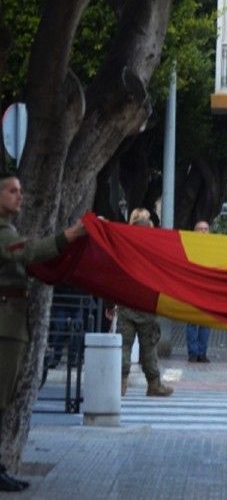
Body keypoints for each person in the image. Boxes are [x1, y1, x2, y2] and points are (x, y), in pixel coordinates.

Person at [0, 171, 87, 491]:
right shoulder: (2, 234)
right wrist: (70, 235)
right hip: (4, 327)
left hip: (11, 324)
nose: (19, 196)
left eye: (20, 190)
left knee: (5, 398)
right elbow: (29, 252)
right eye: (12, 191)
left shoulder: (8, 229)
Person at [117, 208, 175, 398]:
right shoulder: (153, 248)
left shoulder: (123, 245)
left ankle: (120, 383)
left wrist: (111, 304)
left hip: (126, 304)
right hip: (146, 306)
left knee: (123, 346)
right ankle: (154, 384)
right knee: (149, 348)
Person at [185, 220, 212, 363]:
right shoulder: (189, 246)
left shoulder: (214, 248)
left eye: (205, 229)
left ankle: (202, 352)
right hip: (192, 288)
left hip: (208, 290)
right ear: (194, 231)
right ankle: (192, 353)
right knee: (192, 322)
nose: (203, 231)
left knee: (205, 322)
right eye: (200, 229)